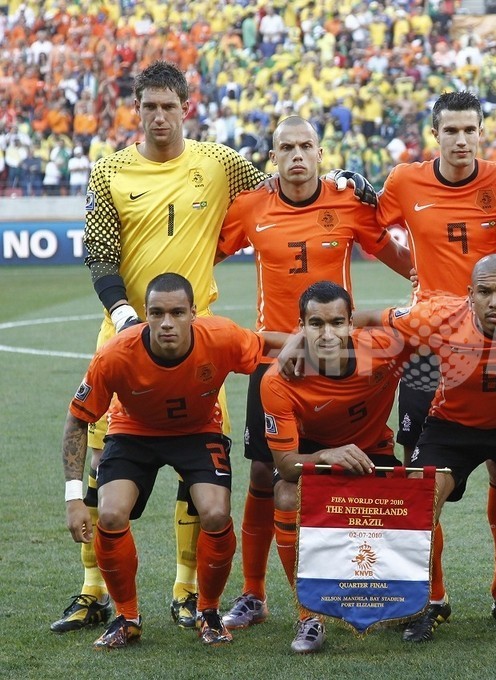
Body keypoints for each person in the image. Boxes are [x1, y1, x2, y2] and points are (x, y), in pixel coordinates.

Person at [53, 61, 267, 635]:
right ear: (137, 109)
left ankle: (186, 589)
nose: (159, 117)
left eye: (169, 106)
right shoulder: (110, 169)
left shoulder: (220, 162)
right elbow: (100, 253)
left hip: (199, 340)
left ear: (186, 109)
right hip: (124, 333)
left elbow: (271, 197)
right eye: (149, 106)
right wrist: (125, 315)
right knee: (101, 461)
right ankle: (94, 591)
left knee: (198, 464)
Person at [214, 116, 411, 632]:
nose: (297, 155)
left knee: (351, 472)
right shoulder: (251, 207)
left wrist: (431, 284)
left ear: (320, 153)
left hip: (336, 353)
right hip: (273, 362)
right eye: (287, 147)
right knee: (264, 474)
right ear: (273, 157)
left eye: (306, 146)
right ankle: (253, 593)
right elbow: (206, 251)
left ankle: (382, 586)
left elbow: (395, 255)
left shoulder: (346, 201)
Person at [356, 255, 496, 644]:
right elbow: (370, 318)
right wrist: (311, 336)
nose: (495, 302)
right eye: (485, 292)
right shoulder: (437, 315)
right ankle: (432, 602)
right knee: (418, 503)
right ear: (469, 295)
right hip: (451, 427)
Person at [375, 91, 496, 634]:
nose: (462, 140)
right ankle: (433, 595)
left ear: (481, 132)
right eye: (452, 131)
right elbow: (370, 230)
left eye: (470, 130)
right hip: (427, 347)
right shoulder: (405, 181)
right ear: (435, 134)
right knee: (421, 477)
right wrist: (411, 271)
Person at [61, 273, 288, 649]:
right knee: (111, 514)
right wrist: (73, 497)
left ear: (193, 313)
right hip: (133, 432)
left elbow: (267, 342)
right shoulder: (116, 354)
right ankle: (127, 618)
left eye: (177, 313)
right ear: (145, 314)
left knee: (216, 513)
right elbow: (77, 419)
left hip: (198, 431)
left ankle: (209, 612)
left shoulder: (220, 336)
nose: (167, 323)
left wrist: (312, 342)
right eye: (157, 313)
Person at [260, 281, 411, 654]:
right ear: (301, 326)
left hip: (372, 450)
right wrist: (327, 455)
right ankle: (309, 616)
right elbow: (286, 465)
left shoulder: (383, 350)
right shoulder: (279, 380)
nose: (327, 334)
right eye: (315, 324)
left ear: (351, 323)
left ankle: (423, 602)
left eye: (337, 323)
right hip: (313, 453)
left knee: (417, 493)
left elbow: (433, 326)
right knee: (285, 496)